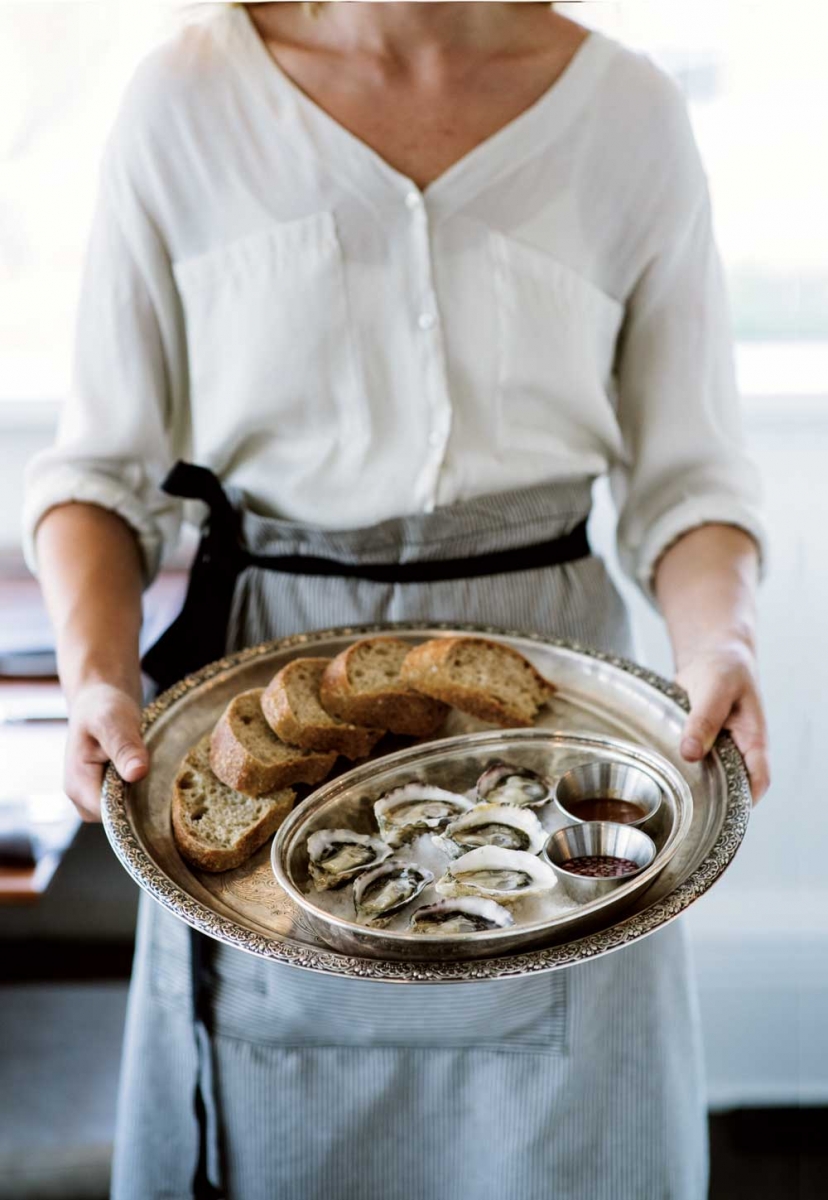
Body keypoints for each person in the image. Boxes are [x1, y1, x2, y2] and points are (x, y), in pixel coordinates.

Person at [25, 4, 769, 1198]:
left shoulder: (629, 113)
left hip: (556, 704)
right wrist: (99, 673)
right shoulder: (186, 101)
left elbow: (692, 485)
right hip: (267, 688)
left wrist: (719, 639)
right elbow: (98, 482)